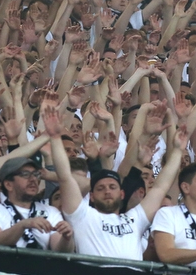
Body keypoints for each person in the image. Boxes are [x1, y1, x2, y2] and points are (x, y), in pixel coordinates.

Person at [45, 104, 186, 261]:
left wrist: (178, 150)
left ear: (121, 194)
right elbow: (65, 176)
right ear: (91, 196)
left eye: (112, 187)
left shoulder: (135, 219)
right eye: (100, 188)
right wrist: (55, 137)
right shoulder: (82, 216)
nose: (107, 191)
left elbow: (161, 187)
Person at [0, 157, 74, 251]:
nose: (33, 179)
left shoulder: (50, 211)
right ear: (8, 185)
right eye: (25, 175)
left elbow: (60, 251)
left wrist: (66, 238)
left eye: (36, 174)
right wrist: (23, 225)